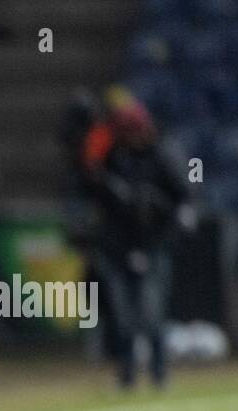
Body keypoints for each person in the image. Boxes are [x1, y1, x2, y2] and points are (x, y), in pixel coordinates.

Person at [82, 90, 191, 388]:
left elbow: (184, 196)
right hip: (118, 245)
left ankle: (159, 373)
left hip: (154, 243)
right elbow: (91, 188)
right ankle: (127, 375)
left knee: (151, 311)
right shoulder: (112, 155)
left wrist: (163, 215)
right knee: (123, 316)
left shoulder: (164, 153)